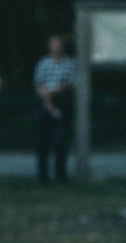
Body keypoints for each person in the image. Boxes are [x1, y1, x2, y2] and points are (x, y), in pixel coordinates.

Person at [33, 34, 76, 183]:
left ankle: (60, 174)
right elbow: (38, 84)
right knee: (42, 140)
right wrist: (46, 100)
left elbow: (67, 85)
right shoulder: (43, 63)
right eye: (53, 44)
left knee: (60, 139)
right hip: (44, 102)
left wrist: (50, 96)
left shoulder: (70, 63)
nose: (56, 47)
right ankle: (43, 176)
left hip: (60, 102)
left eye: (58, 44)